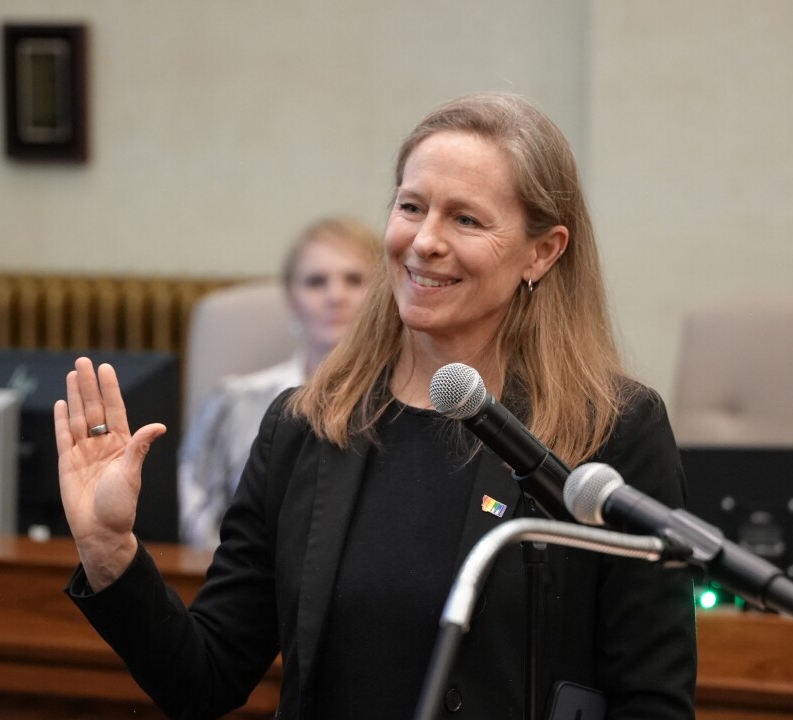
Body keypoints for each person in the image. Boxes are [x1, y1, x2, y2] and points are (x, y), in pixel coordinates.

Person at [55, 92, 697, 719]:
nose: (424, 242)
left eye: (466, 219)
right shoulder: (303, 426)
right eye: (411, 207)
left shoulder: (609, 431)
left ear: (542, 251)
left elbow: (653, 698)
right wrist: (111, 551)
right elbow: (205, 679)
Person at [179, 216, 380, 549]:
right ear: (291, 297)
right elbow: (197, 523)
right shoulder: (233, 403)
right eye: (316, 281)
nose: (335, 295)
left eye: (354, 279)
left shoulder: (407, 404)